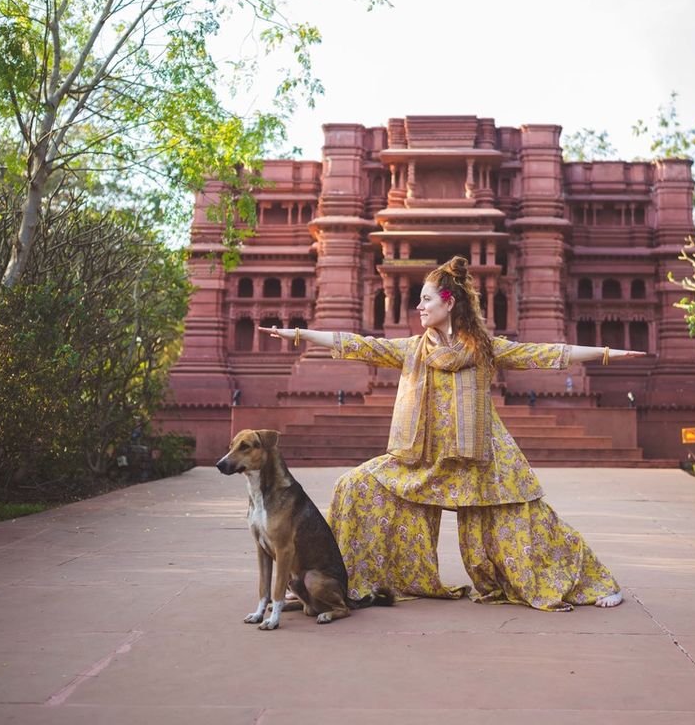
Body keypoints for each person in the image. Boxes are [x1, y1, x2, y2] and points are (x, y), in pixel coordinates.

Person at [260, 256, 645, 611]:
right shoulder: (413, 349)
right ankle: (338, 584)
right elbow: (360, 345)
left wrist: (606, 353)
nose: (419, 307)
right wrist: (300, 334)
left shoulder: (483, 349)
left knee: (530, 524)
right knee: (355, 486)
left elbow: (542, 353)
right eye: (419, 300)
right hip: (423, 457)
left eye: (426, 299)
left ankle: (595, 583)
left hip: (481, 459)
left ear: (449, 303)